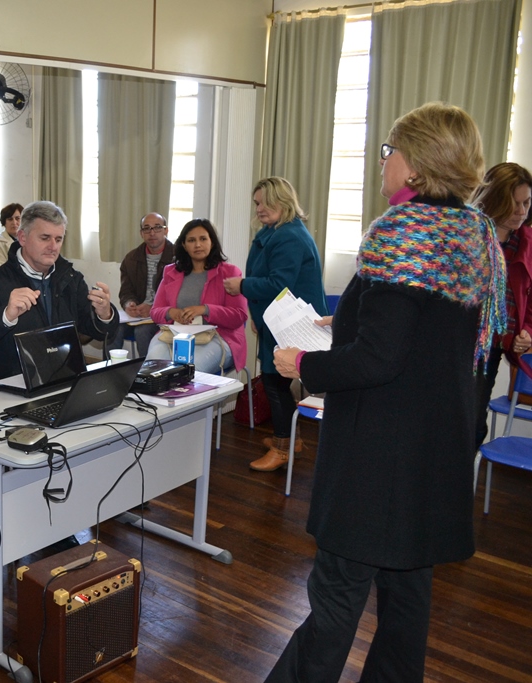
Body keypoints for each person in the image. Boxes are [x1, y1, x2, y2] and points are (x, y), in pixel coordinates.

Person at [265, 103, 505, 683]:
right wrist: (342, 323)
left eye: (389, 149)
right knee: (405, 606)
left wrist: (305, 363)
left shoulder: (404, 235)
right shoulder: (475, 235)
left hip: (378, 462)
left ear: (416, 164)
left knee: (334, 605)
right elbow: (426, 340)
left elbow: (380, 357)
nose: (383, 161)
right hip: (433, 453)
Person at [223, 177, 327, 471]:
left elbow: (279, 283)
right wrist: (257, 316)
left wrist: (242, 286)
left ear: (280, 202)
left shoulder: (288, 236)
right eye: (256, 203)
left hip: (292, 322)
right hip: (278, 319)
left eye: (261, 203)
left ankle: (283, 447)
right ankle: (290, 440)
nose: (257, 209)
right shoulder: (277, 231)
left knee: (275, 381)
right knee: (276, 381)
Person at [0, 201, 118, 385]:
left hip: (64, 381)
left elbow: (93, 329)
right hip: (12, 387)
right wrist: (5, 316)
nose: (53, 246)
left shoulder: (70, 278)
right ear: (22, 237)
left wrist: (104, 315)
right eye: (45, 238)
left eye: (58, 239)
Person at [473, 162, 532, 446]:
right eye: (514, 204)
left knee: (472, 425)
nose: (522, 212)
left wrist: (526, 333)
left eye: (527, 202)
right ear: (495, 199)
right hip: (455, 345)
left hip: (493, 348)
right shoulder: (470, 235)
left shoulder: (528, 243)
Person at [145, 219, 247, 374]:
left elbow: (239, 316)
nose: (197, 245)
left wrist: (205, 310)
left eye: (203, 239)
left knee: (189, 369)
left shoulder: (230, 273)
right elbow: (155, 311)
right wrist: (171, 312)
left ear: (212, 242)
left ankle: (192, 398)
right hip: (175, 336)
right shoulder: (171, 272)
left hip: (218, 337)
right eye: (191, 240)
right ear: (184, 245)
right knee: (153, 368)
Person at [111, 212, 176, 357]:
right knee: (112, 325)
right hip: (139, 317)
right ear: (141, 233)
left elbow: (179, 297)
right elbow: (125, 291)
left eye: (157, 228)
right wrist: (129, 304)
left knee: (142, 332)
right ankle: (108, 373)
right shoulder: (131, 258)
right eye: (147, 229)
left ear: (166, 230)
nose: (152, 233)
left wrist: (153, 308)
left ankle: (147, 376)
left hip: (166, 317)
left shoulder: (177, 258)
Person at [0, 202, 23, 273]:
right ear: (4, 222)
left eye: (17, 218)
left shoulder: (30, 241)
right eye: (10, 219)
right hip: (8, 283)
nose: (14, 222)